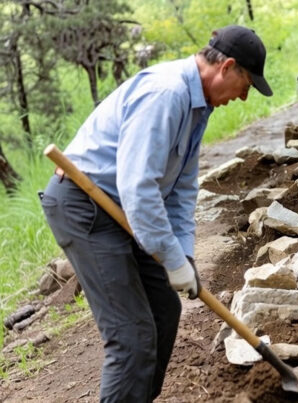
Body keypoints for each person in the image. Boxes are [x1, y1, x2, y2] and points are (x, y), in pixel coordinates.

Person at [40, 25, 272, 402]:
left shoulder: (199, 106)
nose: (243, 97)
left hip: (126, 211)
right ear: (227, 66)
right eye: (246, 85)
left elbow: (181, 188)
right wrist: (169, 256)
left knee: (164, 310)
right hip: (86, 208)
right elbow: (139, 187)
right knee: (132, 336)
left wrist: (183, 255)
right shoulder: (166, 93)